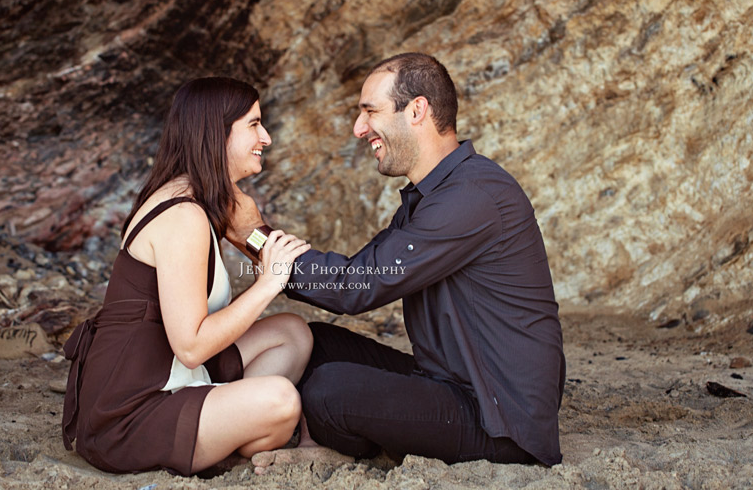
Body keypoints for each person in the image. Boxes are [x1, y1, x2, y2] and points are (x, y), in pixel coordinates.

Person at [229, 53, 565, 467]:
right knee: (315, 344)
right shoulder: (434, 196)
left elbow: (358, 286)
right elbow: (363, 271)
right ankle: (318, 435)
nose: (358, 129)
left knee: (329, 390)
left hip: (498, 420)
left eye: (370, 111)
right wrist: (255, 242)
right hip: (447, 383)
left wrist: (254, 236)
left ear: (417, 110)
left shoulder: (473, 196)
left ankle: (345, 448)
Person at [62, 77, 313, 476]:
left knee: (293, 333)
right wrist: (268, 282)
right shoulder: (183, 216)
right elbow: (192, 347)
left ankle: (226, 420)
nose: (265, 137)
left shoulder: (199, 198)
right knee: (282, 401)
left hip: (177, 376)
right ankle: (232, 428)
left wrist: (257, 236)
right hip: (129, 415)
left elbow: (193, 344)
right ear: (216, 132)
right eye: (253, 124)